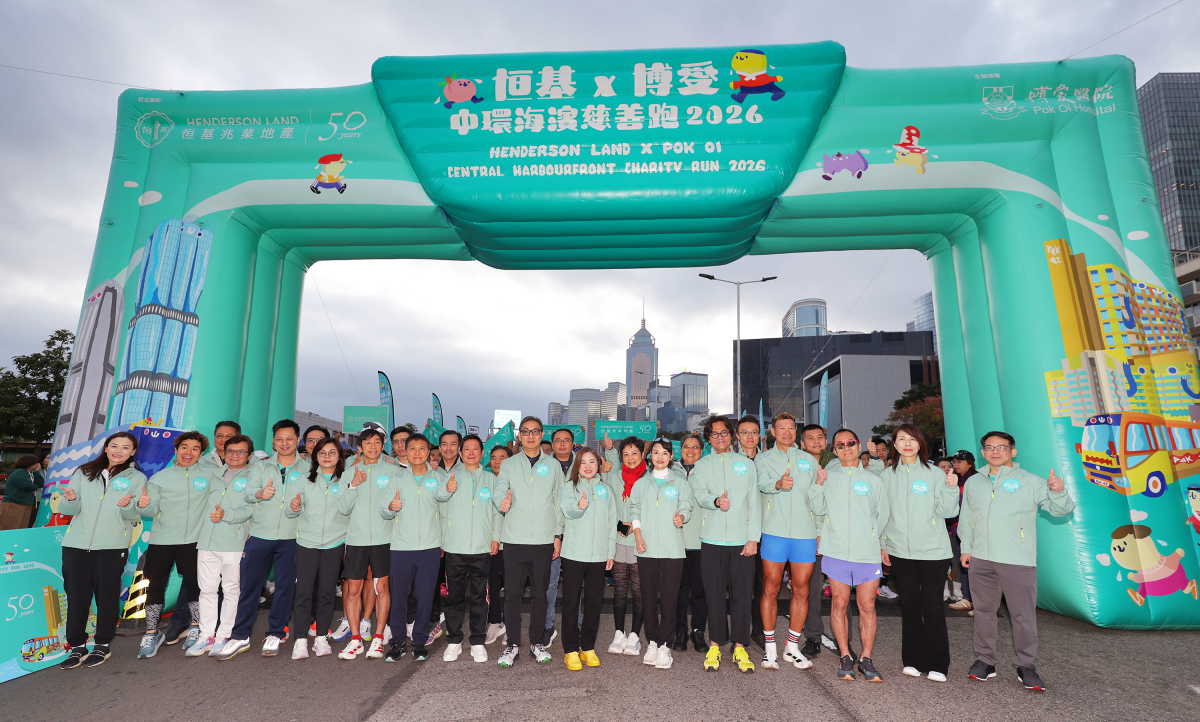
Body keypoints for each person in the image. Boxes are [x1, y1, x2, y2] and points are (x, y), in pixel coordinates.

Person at [960, 431, 1075, 691]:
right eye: (990, 447)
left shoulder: (1031, 481)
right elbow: (967, 517)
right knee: (983, 612)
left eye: (1002, 447)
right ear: (983, 452)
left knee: (1023, 616)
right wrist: (966, 548)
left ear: (1013, 451)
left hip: (1018, 560)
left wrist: (1058, 491)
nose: (995, 451)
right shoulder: (974, 482)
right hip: (981, 558)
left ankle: (1026, 665)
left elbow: (1062, 510)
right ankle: (985, 661)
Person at [214, 420, 307, 660]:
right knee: (249, 586)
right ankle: (240, 635)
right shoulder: (261, 466)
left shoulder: (308, 468)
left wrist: (300, 505)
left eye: (290, 438)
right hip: (259, 534)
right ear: (273, 442)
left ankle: (275, 632)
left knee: (285, 587)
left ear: (297, 440)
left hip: (292, 537)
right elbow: (248, 493)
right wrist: (260, 493)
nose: (284, 443)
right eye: (280, 439)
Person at [58, 432, 147, 669]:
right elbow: (68, 509)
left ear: (133, 452)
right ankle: (77, 646)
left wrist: (127, 505)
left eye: (125, 447)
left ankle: (102, 645)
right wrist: (70, 499)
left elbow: (133, 515)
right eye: (114, 445)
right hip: (76, 544)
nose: (118, 451)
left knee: (106, 597)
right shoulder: (84, 471)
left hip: (112, 546)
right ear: (106, 448)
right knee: (76, 596)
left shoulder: (137, 478)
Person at [880, 424, 960, 682]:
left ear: (920, 443)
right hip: (900, 551)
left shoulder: (935, 473)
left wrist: (951, 488)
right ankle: (913, 660)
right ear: (894, 444)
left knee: (934, 606)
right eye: (902, 439)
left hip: (933, 551)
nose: (907, 443)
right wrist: (883, 544)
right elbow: (882, 514)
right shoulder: (886, 476)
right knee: (910, 606)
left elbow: (949, 512)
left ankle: (938, 664)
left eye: (912, 439)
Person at [809, 428, 890, 682]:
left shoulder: (874, 480)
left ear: (858, 446)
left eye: (851, 443)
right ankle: (845, 655)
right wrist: (817, 485)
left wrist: (880, 543)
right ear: (834, 450)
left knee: (867, 605)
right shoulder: (828, 476)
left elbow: (883, 516)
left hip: (867, 552)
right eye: (840, 445)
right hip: (836, 551)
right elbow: (817, 509)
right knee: (839, 604)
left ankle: (866, 658)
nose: (846, 448)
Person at [492, 416, 565, 668]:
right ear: (519, 436)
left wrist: (557, 535)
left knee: (540, 594)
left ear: (542, 434)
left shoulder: (553, 465)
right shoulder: (509, 464)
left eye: (535, 431)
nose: (531, 436)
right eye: (526, 431)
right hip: (514, 539)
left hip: (544, 539)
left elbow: (558, 501)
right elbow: (499, 490)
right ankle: (512, 644)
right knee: (512, 594)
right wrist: (501, 501)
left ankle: (537, 642)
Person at [691, 415, 761, 673]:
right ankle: (715, 645)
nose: (719, 437)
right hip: (712, 539)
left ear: (731, 436)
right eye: (714, 434)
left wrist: (753, 538)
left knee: (742, 595)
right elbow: (700, 495)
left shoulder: (746, 464)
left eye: (724, 433)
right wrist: (715, 501)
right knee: (715, 595)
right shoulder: (702, 465)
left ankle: (740, 647)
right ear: (708, 439)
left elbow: (754, 502)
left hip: (742, 541)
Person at [755, 412, 823, 671]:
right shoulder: (763, 459)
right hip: (774, 532)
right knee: (770, 587)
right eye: (781, 428)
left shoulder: (808, 460)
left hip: (805, 534)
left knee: (802, 589)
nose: (787, 432)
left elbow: (817, 499)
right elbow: (762, 484)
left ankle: (792, 647)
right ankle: (770, 648)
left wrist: (819, 530)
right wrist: (777, 483)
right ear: (773, 432)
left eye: (791, 428)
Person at [136, 431, 210, 659]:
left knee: (195, 585)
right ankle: (151, 632)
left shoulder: (211, 475)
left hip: (194, 540)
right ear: (176, 449)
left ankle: (196, 627)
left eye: (195, 448)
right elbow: (150, 510)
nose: (189, 452)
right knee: (155, 585)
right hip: (162, 540)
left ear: (201, 453)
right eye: (184, 447)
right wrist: (143, 505)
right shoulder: (160, 478)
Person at [186, 435, 258, 657]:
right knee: (206, 590)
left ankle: (224, 635)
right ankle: (206, 635)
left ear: (249, 455)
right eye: (230, 451)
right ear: (223, 454)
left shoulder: (253, 477)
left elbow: (253, 508)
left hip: (234, 543)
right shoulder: (213, 475)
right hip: (207, 542)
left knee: (231, 591)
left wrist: (227, 515)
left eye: (241, 451)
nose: (235, 455)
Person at [335, 427, 400, 660]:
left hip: (385, 539)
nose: (373, 446)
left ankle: (379, 638)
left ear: (383, 445)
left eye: (377, 442)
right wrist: (353, 485)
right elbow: (343, 508)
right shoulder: (348, 474)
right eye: (368, 443)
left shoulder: (394, 472)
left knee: (382, 588)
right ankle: (355, 640)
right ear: (359, 447)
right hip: (357, 540)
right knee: (353, 590)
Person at [436, 434, 501, 663]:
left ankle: (477, 641)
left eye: (476, 449)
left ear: (482, 454)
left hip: (482, 547)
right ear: (460, 453)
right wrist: (447, 489)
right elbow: (439, 500)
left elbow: (497, 512)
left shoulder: (492, 479)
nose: (471, 453)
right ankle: (454, 640)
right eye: (467, 449)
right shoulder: (450, 476)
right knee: (454, 596)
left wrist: (496, 537)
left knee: (479, 597)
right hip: (455, 547)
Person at [630, 438, 693, 670]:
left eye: (664, 453)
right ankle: (652, 642)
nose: (659, 457)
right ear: (650, 456)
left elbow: (687, 506)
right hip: (646, 549)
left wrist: (682, 517)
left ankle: (665, 645)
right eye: (655, 452)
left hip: (672, 550)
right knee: (647, 598)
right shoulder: (641, 484)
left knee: (669, 599)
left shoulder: (680, 482)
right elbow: (634, 510)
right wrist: (638, 537)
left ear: (671, 456)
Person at [285, 436, 350, 660]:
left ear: (339, 456)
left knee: (327, 592)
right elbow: (289, 510)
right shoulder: (304, 480)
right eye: (322, 453)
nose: (327, 456)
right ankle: (300, 640)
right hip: (307, 543)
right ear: (316, 456)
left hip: (335, 542)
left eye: (332, 452)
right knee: (303, 592)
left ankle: (321, 637)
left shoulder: (346, 480)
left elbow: (349, 508)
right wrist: (293, 506)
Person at [380, 434, 443, 662]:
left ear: (429, 452)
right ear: (405, 451)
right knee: (399, 597)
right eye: (412, 448)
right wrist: (391, 506)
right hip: (401, 548)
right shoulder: (396, 479)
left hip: (430, 547)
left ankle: (419, 641)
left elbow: (445, 513)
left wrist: (442, 542)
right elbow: (383, 511)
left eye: (422, 448)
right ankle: (397, 641)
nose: (417, 453)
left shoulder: (439, 479)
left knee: (425, 597)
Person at [558, 447, 616, 671]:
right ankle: (571, 650)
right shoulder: (569, 487)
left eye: (592, 461)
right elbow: (567, 510)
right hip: (574, 554)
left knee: (594, 603)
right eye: (583, 462)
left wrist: (610, 552)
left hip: (599, 556)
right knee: (571, 603)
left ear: (598, 465)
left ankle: (588, 647)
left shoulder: (606, 490)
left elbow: (612, 521)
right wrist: (578, 506)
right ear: (577, 466)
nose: (588, 466)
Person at [602, 435, 646, 658]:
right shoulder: (614, 477)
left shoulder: (649, 478)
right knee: (619, 590)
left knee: (639, 592)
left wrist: (635, 526)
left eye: (634, 453)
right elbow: (607, 507)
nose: (630, 458)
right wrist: (621, 526)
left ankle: (635, 636)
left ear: (642, 455)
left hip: (642, 543)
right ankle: (619, 633)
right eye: (626, 454)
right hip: (619, 542)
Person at [798, 424, 838, 657]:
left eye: (820, 437)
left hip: (835, 536)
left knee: (840, 594)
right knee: (810, 592)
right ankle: (812, 636)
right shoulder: (797, 466)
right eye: (810, 438)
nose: (816, 441)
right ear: (802, 443)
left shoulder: (838, 465)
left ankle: (844, 640)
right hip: (808, 536)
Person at [673, 433, 708, 653]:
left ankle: (698, 631)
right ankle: (680, 631)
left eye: (695, 447)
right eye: (686, 446)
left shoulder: (707, 470)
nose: (691, 450)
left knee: (699, 592)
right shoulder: (669, 470)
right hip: (675, 542)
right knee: (678, 591)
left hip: (701, 540)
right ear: (680, 449)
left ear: (702, 451)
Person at [735, 415, 768, 650]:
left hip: (767, 530)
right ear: (737, 436)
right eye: (744, 432)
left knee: (762, 584)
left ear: (760, 435)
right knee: (739, 586)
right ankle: (737, 633)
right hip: (739, 531)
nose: (749, 436)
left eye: (754, 432)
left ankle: (758, 630)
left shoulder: (767, 461)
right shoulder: (731, 461)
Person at [544, 428, 576, 647]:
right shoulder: (545, 466)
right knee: (550, 583)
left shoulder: (583, 463)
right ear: (552, 444)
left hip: (577, 533)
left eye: (566, 440)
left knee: (575, 584)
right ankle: (548, 625)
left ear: (573, 444)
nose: (562, 444)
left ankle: (576, 626)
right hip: (551, 532)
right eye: (558, 441)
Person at [485, 444, 511, 645]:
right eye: (494, 457)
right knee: (492, 584)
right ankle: (494, 622)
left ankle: (511, 624)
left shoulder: (514, 481)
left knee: (512, 586)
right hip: (489, 542)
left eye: (502, 457)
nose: (497, 461)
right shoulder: (485, 482)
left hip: (510, 541)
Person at [948, 450, 977, 613]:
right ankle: (967, 598)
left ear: (970, 464)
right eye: (954, 461)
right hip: (957, 529)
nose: (956, 464)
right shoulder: (956, 480)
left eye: (960, 461)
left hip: (973, 530)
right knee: (963, 564)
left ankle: (979, 603)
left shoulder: (976, 480)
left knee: (975, 567)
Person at [1, 455, 44, 530]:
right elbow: (27, 485)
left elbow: (40, 484)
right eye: (36, 463)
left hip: (26, 503)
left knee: (22, 527)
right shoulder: (19, 472)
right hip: (15, 503)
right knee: (10, 527)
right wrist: (35, 487)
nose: (38, 465)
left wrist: (36, 472)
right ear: (30, 463)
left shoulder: (30, 473)